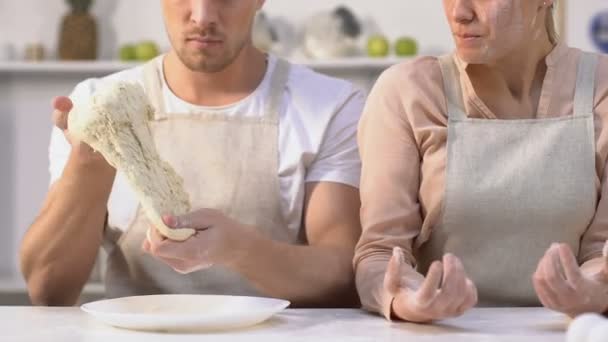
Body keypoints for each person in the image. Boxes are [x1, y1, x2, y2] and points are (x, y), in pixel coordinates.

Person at [20, 0, 364, 307]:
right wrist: (89, 160)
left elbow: (344, 279)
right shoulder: (98, 104)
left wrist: (239, 249)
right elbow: (48, 290)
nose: (202, 16)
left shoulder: (329, 107)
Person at [354, 0, 608, 323]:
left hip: (569, 332)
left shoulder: (602, 88)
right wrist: (408, 298)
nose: (460, 12)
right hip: (442, 334)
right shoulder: (406, 92)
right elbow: (378, 254)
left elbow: (603, 251)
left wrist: (594, 290)